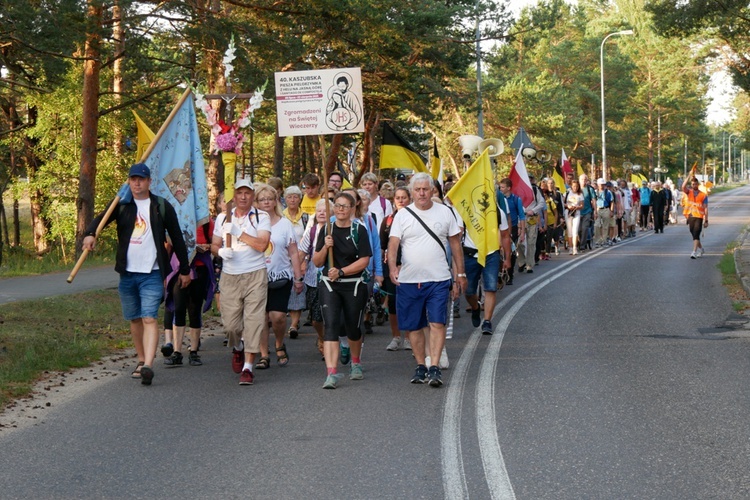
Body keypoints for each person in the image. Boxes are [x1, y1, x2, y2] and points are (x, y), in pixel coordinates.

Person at [82, 163, 192, 386]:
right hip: (127, 273)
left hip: (152, 272)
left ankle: (149, 365)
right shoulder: (122, 204)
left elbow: (178, 238)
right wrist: (90, 234)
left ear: (149, 181)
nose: (137, 183)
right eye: (133, 179)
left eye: (141, 179)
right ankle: (141, 360)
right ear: (129, 181)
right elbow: (101, 219)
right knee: (134, 318)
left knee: (149, 317)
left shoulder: (160, 206)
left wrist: (184, 268)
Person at [387, 173, 467, 387]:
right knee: (413, 326)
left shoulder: (446, 212)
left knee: (437, 322)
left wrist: (460, 274)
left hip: (439, 278)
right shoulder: (402, 215)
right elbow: (393, 243)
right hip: (410, 280)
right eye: (417, 189)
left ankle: (434, 367)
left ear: (432, 190)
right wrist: (392, 267)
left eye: (425, 189)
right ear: (412, 192)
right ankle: (420, 365)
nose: (421, 193)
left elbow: (455, 245)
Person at [211, 178, 271, 386]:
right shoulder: (222, 218)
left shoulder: (261, 217)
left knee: (254, 321)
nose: (243, 197)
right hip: (230, 275)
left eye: (247, 193)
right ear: (233, 196)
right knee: (231, 325)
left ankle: (248, 367)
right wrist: (220, 251)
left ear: (253, 196)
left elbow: (262, 245)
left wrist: (239, 233)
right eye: (239, 193)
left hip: (255, 273)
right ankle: (237, 347)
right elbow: (214, 244)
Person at [313, 192, 372, 389]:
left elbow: (364, 260)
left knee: (352, 326)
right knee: (330, 325)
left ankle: (356, 362)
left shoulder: (359, 230)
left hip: (354, 284)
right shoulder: (327, 230)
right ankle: (331, 372)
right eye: (337, 205)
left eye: (345, 206)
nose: (340, 209)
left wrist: (341, 271)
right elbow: (317, 261)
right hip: (330, 284)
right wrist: (325, 247)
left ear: (353, 209)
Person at [253, 184, 304, 369]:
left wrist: (298, 278)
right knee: (260, 317)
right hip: (256, 277)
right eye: (262, 199)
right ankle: (264, 354)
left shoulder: (284, 224)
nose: (266, 202)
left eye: (269, 199)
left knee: (278, 317)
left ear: (276, 201)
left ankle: (279, 343)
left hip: (281, 276)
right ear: (256, 202)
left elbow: (293, 252)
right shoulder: (252, 223)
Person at [455, 188, 512, 336]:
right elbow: (458, 233)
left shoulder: (498, 213)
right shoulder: (466, 210)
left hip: (491, 254)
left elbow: (505, 235)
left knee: (490, 288)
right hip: (470, 254)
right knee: (468, 291)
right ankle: (475, 307)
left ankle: (487, 321)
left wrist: (507, 258)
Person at [162, 220, 216, 367]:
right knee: (178, 308)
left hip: (200, 268)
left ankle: (193, 351)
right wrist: (164, 273)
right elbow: (168, 245)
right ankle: (177, 352)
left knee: (194, 308)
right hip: (178, 269)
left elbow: (216, 245)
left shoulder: (206, 223)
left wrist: (206, 247)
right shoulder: (178, 219)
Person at [298, 199, 331, 358]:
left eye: (325, 210)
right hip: (313, 279)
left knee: (330, 315)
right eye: (319, 211)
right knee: (316, 318)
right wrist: (296, 274)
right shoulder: (311, 231)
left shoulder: (335, 230)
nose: (322, 213)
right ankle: (322, 336)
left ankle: (331, 343)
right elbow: (301, 252)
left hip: (332, 280)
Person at [382, 187, 411, 351]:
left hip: (409, 267)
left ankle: (408, 337)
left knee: (407, 302)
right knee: (392, 303)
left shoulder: (415, 218)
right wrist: (381, 271)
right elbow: (382, 246)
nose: (401, 200)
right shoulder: (387, 220)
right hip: (391, 268)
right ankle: (396, 337)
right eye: (398, 197)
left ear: (409, 199)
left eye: (404, 197)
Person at [282, 185, 308, 338]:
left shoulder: (306, 217)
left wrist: (304, 259)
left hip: (300, 258)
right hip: (282, 259)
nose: (292, 199)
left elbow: (309, 239)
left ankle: (293, 324)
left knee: (297, 290)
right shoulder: (281, 216)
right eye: (289, 197)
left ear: (300, 199)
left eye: (295, 197)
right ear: (285, 199)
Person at [497, 178, 525, 286]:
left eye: (503, 187)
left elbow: (521, 216)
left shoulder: (516, 199)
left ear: (509, 188)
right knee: (500, 251)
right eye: (500, 187)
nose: (501, 189)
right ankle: (500, 273)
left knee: (511, 251)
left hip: (512, 228)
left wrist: (522, 231)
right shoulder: (499, 198)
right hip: (500, 228)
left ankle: (510, 274)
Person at [516, 174, 545, 273]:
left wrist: (533, 210)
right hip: (520, 218)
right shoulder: (517, 190)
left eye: (530, 179)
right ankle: (521, 261)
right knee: (519, 242)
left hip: (531, 218)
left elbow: (542, 203)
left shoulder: (535, 190)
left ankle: (529, 264)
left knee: (531, 241)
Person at [681, 175, 708, 259]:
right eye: (693, 184)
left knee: (696, 233)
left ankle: (694, 251)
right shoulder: (689, 192)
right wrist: (688, 176)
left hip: (699, 216)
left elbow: (705, 207)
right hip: (690, 216)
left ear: (698, 184)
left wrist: (706, 220)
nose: (694, 186)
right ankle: (701, 249)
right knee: (693, 234)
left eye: (695, 184)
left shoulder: (703, 195)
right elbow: (683, 186)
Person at [564, 180, 584, 255]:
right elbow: (563, 203)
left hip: (576, 213)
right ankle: (570, 248)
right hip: (568, 213)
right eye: (574, 186)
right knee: (569, 231)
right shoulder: (567, 192)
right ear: (571, 186)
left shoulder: (580, 194)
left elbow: (582, 205)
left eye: (576, 186)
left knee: (575, 230)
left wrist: (577, 207)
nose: (575, 188)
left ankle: (575, 247)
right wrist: (568, 206)